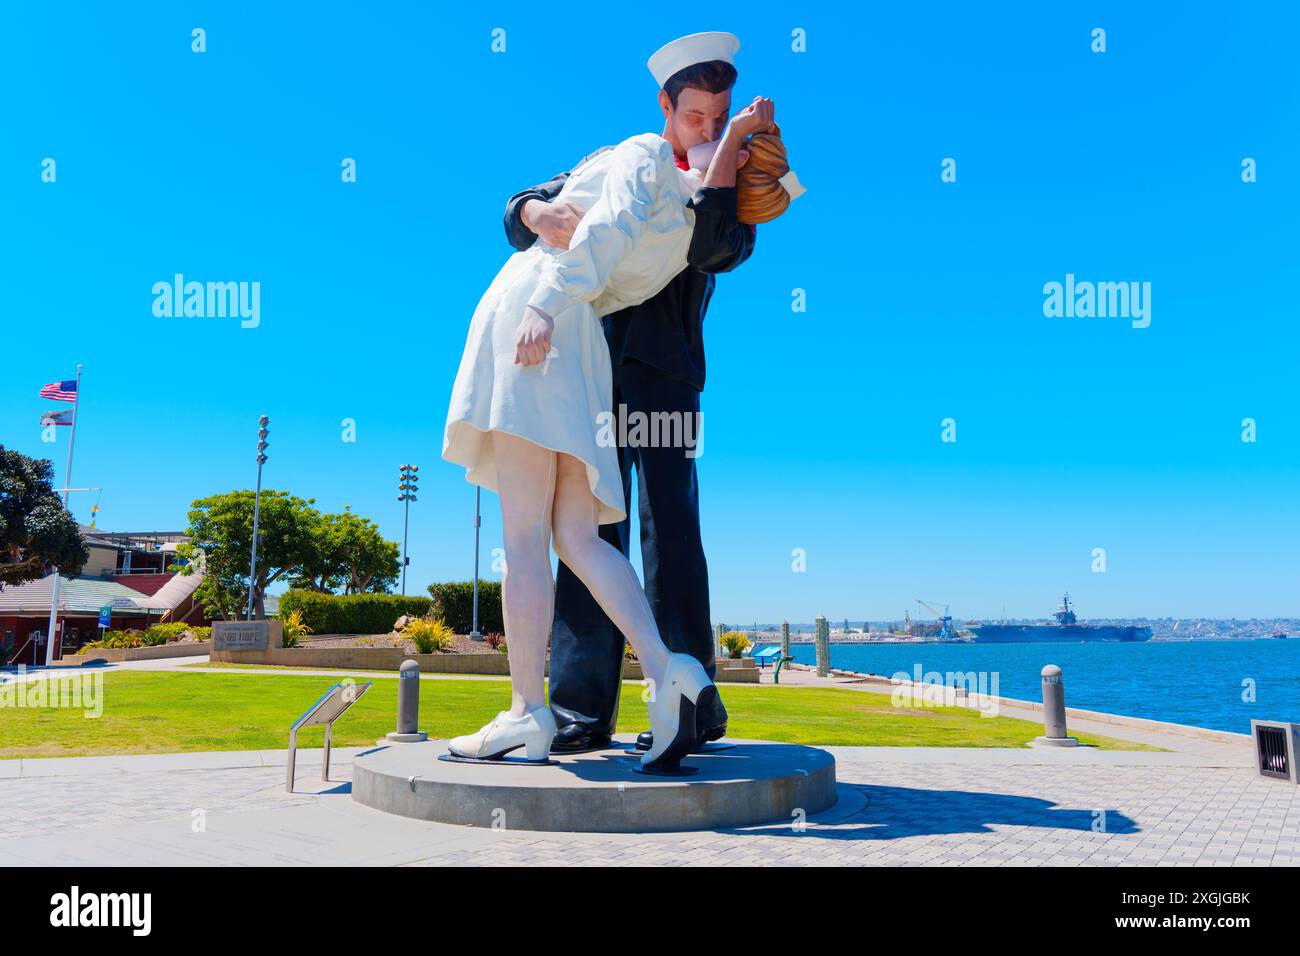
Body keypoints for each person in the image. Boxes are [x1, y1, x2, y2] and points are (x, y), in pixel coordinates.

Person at [442, 42, 800, 770]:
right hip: (584, 362)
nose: (703, 128)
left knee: (669, 528)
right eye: (694, 115)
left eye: (717, 119)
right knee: (590, 532)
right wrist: (541, 210)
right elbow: (521, 208)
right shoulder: (626, 156)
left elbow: (717, 249)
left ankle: (687, 703)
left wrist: (732, 160)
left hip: (659, 371)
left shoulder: (722, 193)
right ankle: (578, 706)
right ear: (667, 108)